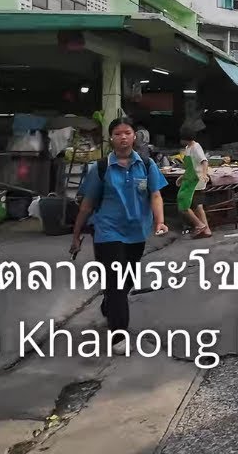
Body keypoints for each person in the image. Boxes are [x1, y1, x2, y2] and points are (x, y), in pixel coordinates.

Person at [71, 117, 168, 347]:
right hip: (107, 231)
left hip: (136, 232)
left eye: (127, 133)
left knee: (127, 281)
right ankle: (118, 335)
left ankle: (110, 302)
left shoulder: (146, 165)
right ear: (111, 138)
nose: (123, 137)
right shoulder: (100, 168)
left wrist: (160, 222)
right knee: (116, 282)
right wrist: (76, 234)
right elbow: (87, 204)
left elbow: (155, 195)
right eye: (117, 133)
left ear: (135, 136)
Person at [178, 128, 211, 239]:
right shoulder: (187, 148)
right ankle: (206, 230)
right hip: (190, 179)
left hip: (196, 180)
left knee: (183, 202)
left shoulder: (196, 147)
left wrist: (204, 174)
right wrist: (182, 177)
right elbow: (190, 167)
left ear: (185, 138)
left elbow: (204, 161)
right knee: (198, 205)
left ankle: (200, 225)